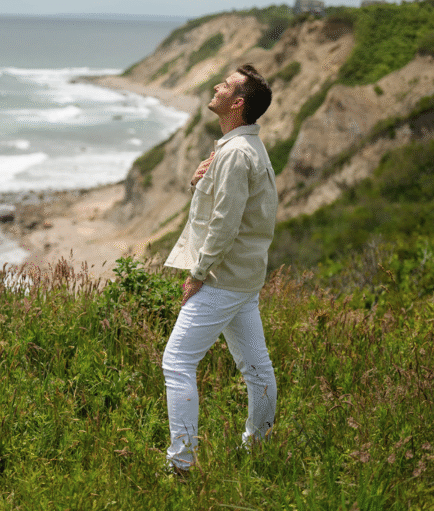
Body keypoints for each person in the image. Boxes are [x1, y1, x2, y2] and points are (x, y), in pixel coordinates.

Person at [161, 64, 277, 474]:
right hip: (244, 278)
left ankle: (181, 465)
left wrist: (198, 273)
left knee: (176, 362)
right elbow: (236, 211)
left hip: (222, 278)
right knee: (256, 366)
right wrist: (198, 185)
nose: (216, 86)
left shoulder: (236, 153)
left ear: (237, 102)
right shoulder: (246, 150)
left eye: (225, 85)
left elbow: (225, 224)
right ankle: (257, 446)